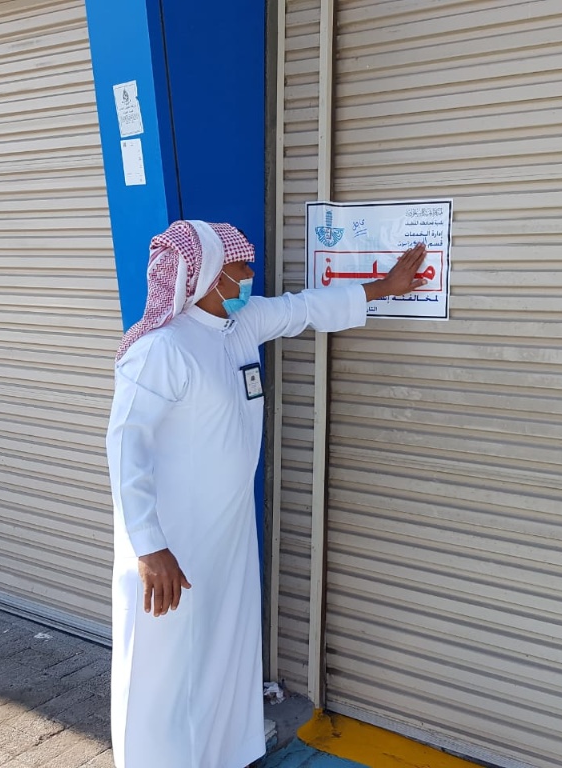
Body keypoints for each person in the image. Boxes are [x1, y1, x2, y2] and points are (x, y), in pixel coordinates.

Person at [106, 219, 427, 768]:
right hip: (170, 541)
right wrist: (149, 545)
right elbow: (124, 444)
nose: (251, 273)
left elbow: (302, 309)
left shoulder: (239, 325)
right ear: (211, 276)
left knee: (223, 647)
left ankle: (220, 755)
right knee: (164, 663)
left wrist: (383, 288)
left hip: (226, 532)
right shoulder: (162, 349)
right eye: (241, 265)